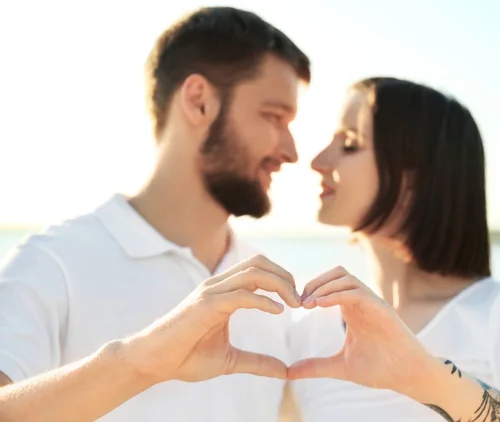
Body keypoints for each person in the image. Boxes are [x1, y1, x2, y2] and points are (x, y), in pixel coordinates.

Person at [0, 6, 309, 421]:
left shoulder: (275, 292)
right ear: (199, 102)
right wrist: (142, 362)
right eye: (274, 117)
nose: (291, 152)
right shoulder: (53, 263)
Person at [286, 77, 500, 422]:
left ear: (414, 178)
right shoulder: (308, 329)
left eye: (350, 144)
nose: (319, 161)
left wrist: (423, 377)